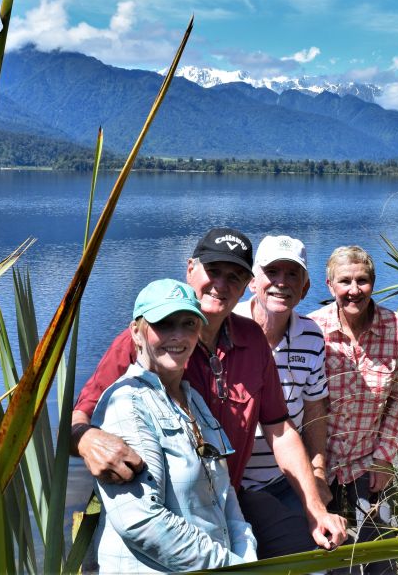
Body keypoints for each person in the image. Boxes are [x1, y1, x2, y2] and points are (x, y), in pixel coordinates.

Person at [72, 227, 346, 559]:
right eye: (213, 271)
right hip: (158, 512)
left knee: (309, 556)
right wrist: (87, 440)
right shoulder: (148, 339)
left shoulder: (252, 340)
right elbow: (80, 415)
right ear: (190, 269)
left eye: (234, 276)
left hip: (224, 501)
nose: (221, 284)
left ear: (246, 286)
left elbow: (280, 428)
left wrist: (315, 509)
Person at [91, 279, 256, 573]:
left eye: (189, 324)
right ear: (136, 333)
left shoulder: (193, 401)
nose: (178, 336)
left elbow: (224, 495)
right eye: (164, 324)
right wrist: (228, 566)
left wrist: (246, 556)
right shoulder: (127, 404)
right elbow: (141, 522)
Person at [309, 246, 398, 575]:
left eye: (363, 281)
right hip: (320, 468)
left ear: (373, 283)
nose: (354, 290)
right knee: (325, 560)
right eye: (345, 281)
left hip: (368, 465)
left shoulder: (395, 328)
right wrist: (314, 473)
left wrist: (384, 459)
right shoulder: (312, 330)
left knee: (379, 561)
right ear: (329, 285)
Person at [233, 235, 331, 511]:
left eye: (292, 274)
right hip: (227, 480)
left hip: (284, 480)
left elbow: (314, 409)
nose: (282, 282)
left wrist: (318, 472)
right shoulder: (227, 325)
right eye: (272, 272)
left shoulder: (311, 335)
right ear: (252, 282)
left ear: (305, 287)